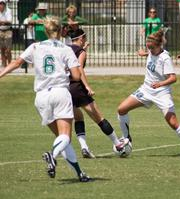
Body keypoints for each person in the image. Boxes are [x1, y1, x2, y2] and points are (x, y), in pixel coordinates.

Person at [0, 16, 91, 181]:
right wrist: (68, 67)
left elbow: (16, 62)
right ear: (61, 30)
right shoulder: (65, 49)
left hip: (41, 97)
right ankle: (52, 155)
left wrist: (1, 74)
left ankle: (80, 174)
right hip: (60, 93)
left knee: (62, 139)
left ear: (46, 30)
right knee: (65, 137)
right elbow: (77, 76)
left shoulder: (35, 47)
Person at [117, 29, 180, 157]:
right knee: (121, 109)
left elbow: (173, 78)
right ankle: (127, 138)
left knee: (173, 122)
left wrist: (160, 84)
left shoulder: (165, 58)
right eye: (147, 44)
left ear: (158, 45)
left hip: (161, 93)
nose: (148, 46)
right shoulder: (151, 51)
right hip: (145, 90)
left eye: (150, 44)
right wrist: (143, 53)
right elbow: (150, 55)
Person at [68, 28, 128, 158]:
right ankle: (118, 145)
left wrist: (84, 49)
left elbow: (72, 62)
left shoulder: (67, 49)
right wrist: (87, 86)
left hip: (65, 88)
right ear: (80, 38)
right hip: (78, 88)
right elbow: (79, 69)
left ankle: (84, 148)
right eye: (84, 37)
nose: (85, 40)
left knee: (78, 118)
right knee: (99, 118)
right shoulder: (81, 52)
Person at [0, 0, 12, 67]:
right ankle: (4, 65)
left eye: (2, 4)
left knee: (8, 49)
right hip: (0, 30)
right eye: (0, 4)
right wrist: (4, 22)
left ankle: (9, 65)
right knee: (2, 48)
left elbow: (9, 22)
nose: (1, 5)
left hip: (8, 30)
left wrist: (1, 22)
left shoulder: (8, 10)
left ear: (5, 5)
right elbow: (6, 21)